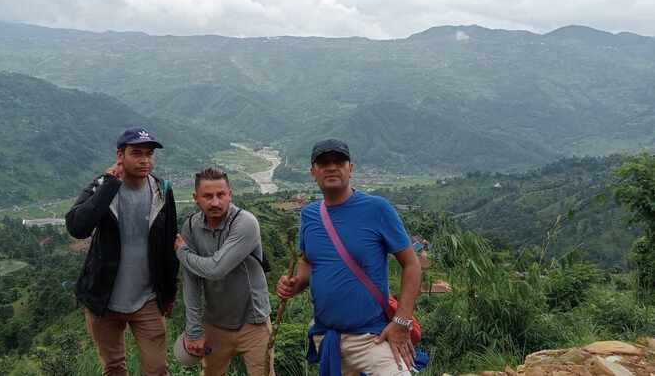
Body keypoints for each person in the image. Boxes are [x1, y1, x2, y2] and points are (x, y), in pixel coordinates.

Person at [276, 139, 421, 376]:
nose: (331, 167)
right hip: (328, 338)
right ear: (313, 172)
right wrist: (295, 284)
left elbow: (412, 264)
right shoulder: (310, 215)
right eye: (323, 162)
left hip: (372, 337)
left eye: (339, 161)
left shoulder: (377, 208)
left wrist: (402, 321)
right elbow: (308, 261)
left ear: (350, 168)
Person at [65, 127, 178, 376]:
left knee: (157, 368)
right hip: (104, 299)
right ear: (120, 154)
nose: (144, 160)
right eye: (136, 153)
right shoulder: (102, 186)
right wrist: (108, 187)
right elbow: (77, 227)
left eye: (149, 154)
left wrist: (168, 294)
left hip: (147, 298)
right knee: (114, 367)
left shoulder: (162, 190)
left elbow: (169, 246)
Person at [174, 167, 274, 376]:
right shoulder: (191, 227)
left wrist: (182, 253)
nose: (215, 202)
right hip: (215, 324)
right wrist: (194, 330)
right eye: (207, 196)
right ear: (196, 198)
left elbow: (216, 269)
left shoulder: (245, 223)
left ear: (230, 194)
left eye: (221, 195)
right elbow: (191, 282)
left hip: (253, 322)